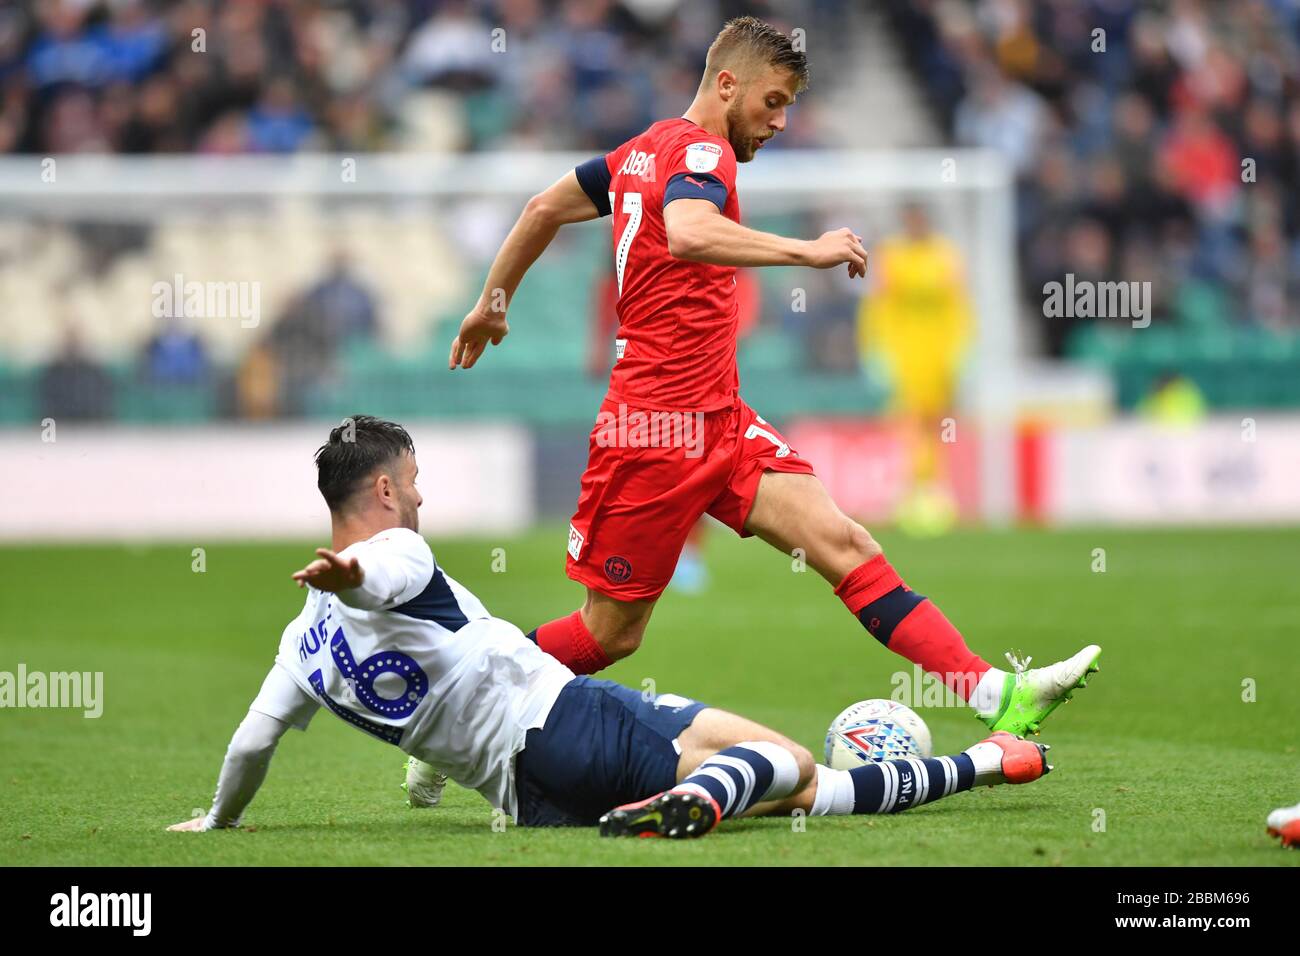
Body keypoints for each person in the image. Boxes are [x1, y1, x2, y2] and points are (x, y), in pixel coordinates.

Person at [441, 15, 1100, 743]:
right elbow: (690, 231)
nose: (781, 121)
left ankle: (994, 692)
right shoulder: (701, 153)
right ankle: (462, 701)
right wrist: (808, 251)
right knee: (609, 636)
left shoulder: (644, 151)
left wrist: (491, 307)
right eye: (774, 101)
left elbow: (542, 208)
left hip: (720, 421)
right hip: (653, 433)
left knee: (844, 545)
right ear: (728, 84)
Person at [168, 416, 1054, 839]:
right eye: (415, 478)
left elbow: (252, 744)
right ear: (388, 493)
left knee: (801, 781)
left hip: (530, 792)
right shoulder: (394, 556)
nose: (424, 493)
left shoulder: (297, 647)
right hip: (562, 724)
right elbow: (388, 573)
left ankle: (984, 762)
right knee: (784, 767)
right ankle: (696, 803)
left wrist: (218, 821)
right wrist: (355, 574)